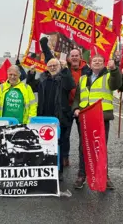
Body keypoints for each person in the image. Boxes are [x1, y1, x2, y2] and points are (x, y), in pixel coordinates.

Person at [72, 53, 122, 190]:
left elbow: (117, 83)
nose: (97, 62)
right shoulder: (83, 78)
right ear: (90, 62)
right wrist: (76, 108)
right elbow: (77, 96)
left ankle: (104, 177)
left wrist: (114, 69)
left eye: (100, 61)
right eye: (95, 60)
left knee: (100, 148)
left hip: (101, 118)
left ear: (104, 63)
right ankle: (82, 175)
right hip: (85, 118)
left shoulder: (108, 76)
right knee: (83, 147)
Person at [38, 37, 89, 166]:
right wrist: (44, 44)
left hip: (81, 107)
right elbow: (51, 60)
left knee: (84, 137)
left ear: (81, 57)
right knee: (64, 135)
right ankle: (64, 157)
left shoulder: (87, 70)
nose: (74, 58)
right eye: (72, 56)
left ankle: (84, 164)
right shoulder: (63, 67)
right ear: (69, 58)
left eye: (77, 55)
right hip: (65, 107)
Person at [26, 58, 76, 180]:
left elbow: (71, 85)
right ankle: (45, 168)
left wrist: (65, 69)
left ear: (59, 66)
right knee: (44, 142)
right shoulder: (43, 78)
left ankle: (58, 170)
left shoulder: (63, 77)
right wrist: (31, 74)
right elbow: (31, 86)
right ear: (46, 67)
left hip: (59, 117)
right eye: (50, 65)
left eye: (55, 65)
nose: (53, 67)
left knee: (59, 144)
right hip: (43, 116)